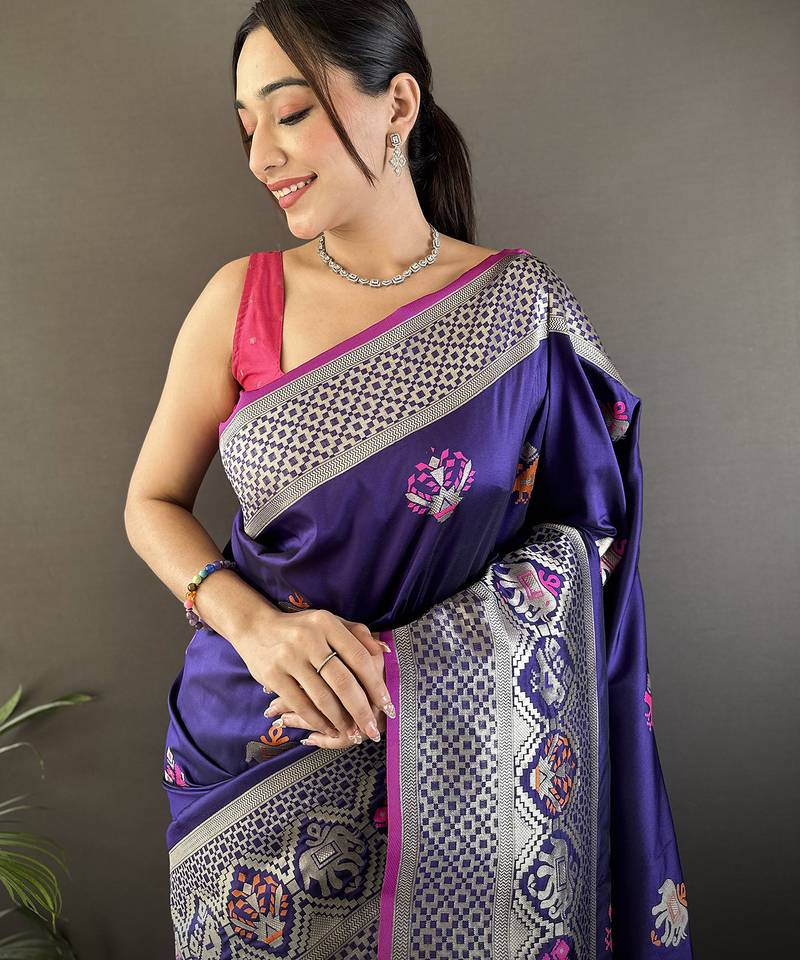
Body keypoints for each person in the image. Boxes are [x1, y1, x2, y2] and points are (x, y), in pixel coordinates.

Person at [123, 2, 694, 957]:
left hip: (470, 772)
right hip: (255, 743)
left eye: (289, 112)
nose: (262, 155)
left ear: (397, 103)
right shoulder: (241, 299)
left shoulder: (518, 311)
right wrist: (257, 628)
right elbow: (150, 503)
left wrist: (407, 665)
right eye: (246, 126)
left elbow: (588, 545)